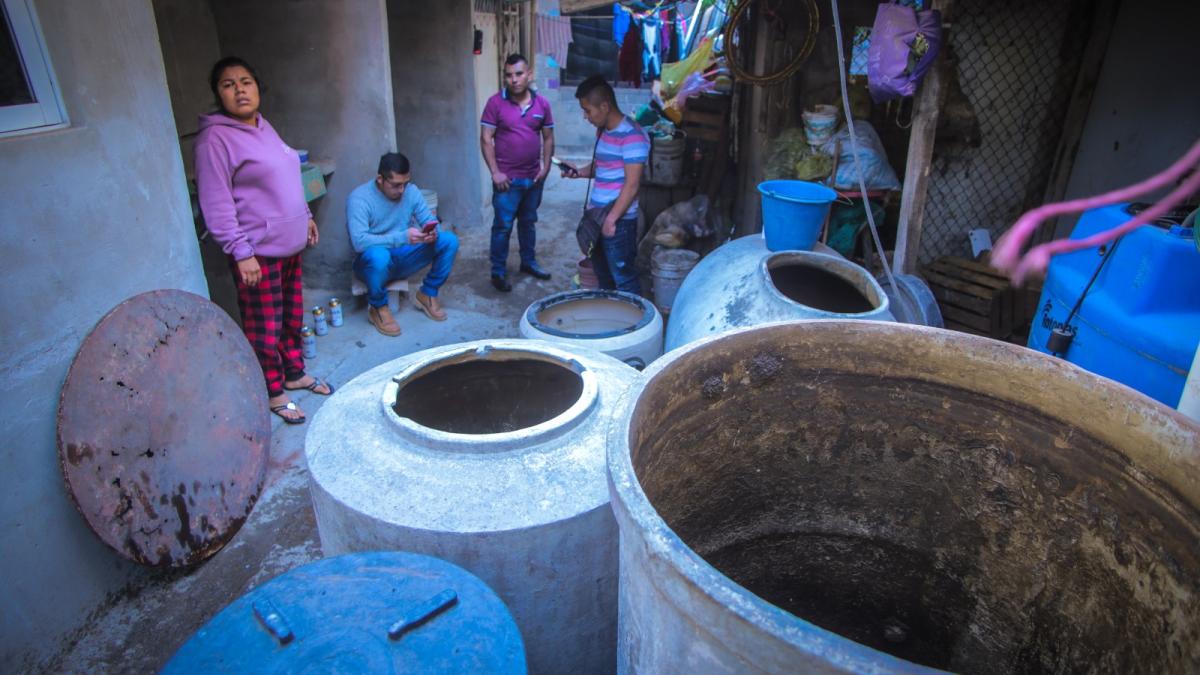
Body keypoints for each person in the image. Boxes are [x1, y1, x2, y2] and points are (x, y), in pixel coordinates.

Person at [195, 56, 333, 425]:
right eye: (228, 84)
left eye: (246, 81)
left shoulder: (262, 126)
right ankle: (273, 391)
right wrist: (241, 252)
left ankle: (294, 373)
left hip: (289, 247)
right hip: (257, 254)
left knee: (290, 317)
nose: (239, 89)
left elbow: (288, 179)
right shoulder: (215, 139)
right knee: (264, 326)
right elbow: (216, 201)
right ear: (218, 94)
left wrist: (305, 217)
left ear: (258, 87)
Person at [347, 152, 459, 336]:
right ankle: (378, 307)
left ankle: (428, 293)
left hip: (403, 256)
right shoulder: (359, 199)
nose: (401, 190)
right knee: (379, 256)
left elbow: (429, 219)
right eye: (396, 185)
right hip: (372, 264)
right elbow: (359, 242)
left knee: (448, 240)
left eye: (405, 183)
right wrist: (402, 237)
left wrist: (432, 233)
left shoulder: (411, 192)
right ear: (380, 179)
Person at [560, 75, 650, 295]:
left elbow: (632, 184)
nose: (585, 116)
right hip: (598, 218)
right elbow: (602, 165)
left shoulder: (632, 136)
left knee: (624, 280)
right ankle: (612, 324)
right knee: (604, 278)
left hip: (618, 222)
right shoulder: (603, 131)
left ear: (604, 106)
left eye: (588, 110)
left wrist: (611, 220)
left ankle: (633, 328)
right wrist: (579, 172)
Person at [480, 53, 556, 292]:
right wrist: (495, 172)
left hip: (533, 179)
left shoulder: (542, 104)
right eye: (509, 75)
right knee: (502, 226)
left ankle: (528, 262)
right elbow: (485, 138)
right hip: (507, 181)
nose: (514, 80)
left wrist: (545, 168)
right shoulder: (495, 103)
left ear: (529, 74)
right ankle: (498, 271)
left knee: (528, 222)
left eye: (519, 74)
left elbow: (548, 136)